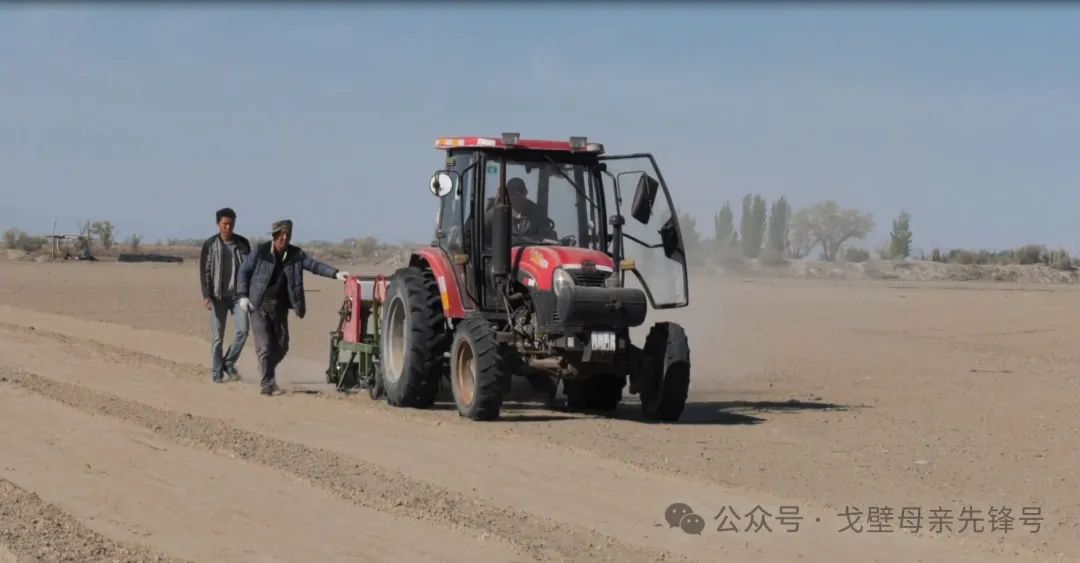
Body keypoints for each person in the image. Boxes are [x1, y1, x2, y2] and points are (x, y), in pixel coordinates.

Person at [236, 219, 350, 396]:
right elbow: (244, 271)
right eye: (281, 235)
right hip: (259, 304)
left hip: (281, 307)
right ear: (274, 236)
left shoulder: (296, 254)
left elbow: (314, 266)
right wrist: (242, 295)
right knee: (265, 345)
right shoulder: (261, 251)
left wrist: (335, 273)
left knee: (282, 346)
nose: (284, 238)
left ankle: (266, 369)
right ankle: (267, 384)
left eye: (287, 235)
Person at [199, 207, 252, 383]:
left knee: (243, 331)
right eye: (225, 224)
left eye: (231, 224)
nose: (228, 228)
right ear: (218, 224)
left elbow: (250, 269)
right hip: (217, 296)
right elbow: (204, 271)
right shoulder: (210, 244)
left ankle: (228, 362)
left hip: (239, 296)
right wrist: (206, 295)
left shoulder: (243, 244)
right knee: (217, 339)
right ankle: (217, 374)